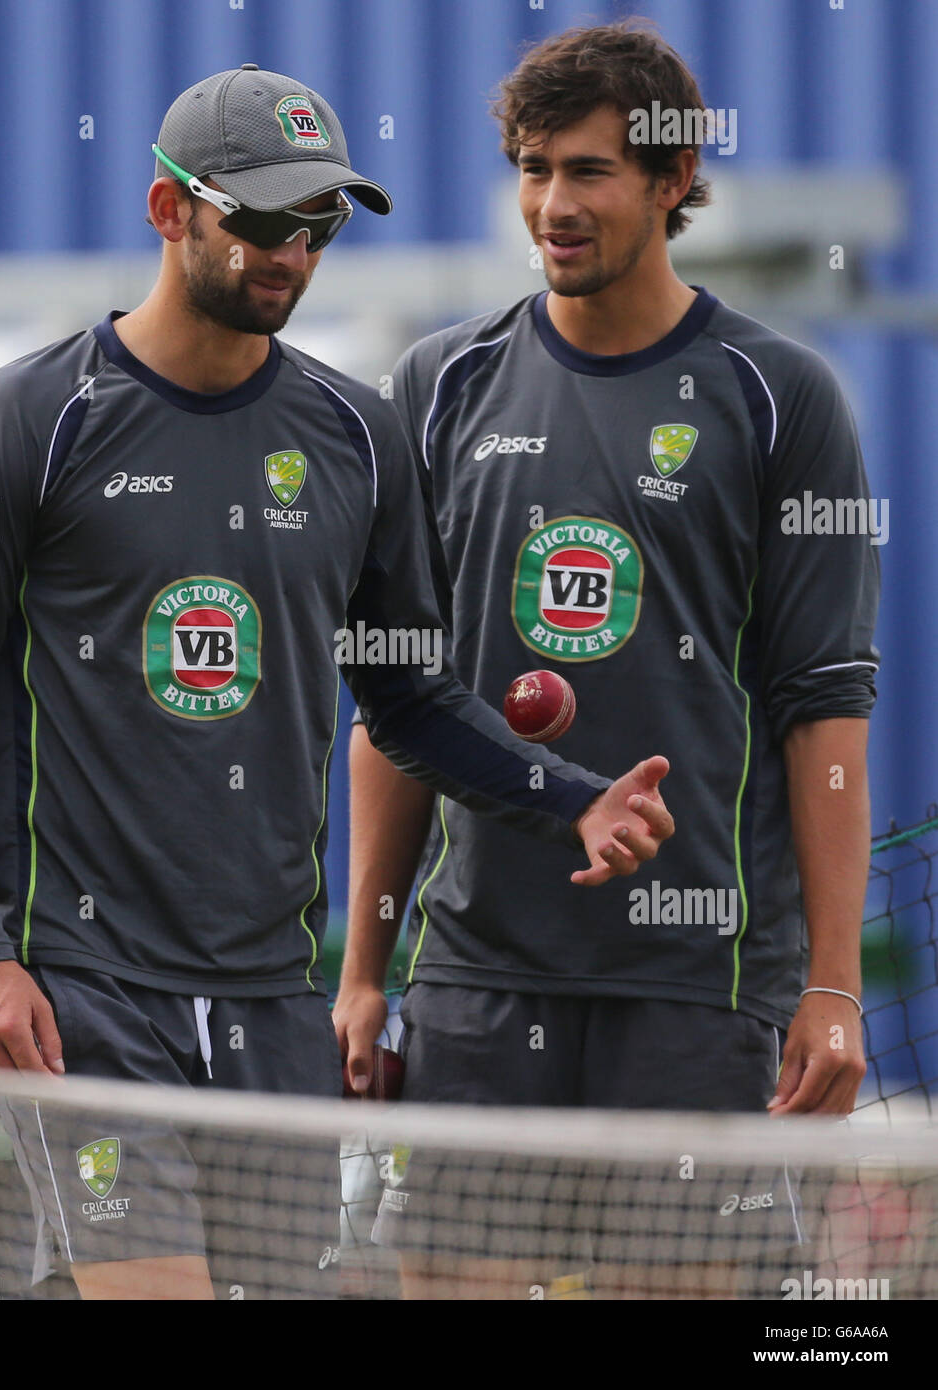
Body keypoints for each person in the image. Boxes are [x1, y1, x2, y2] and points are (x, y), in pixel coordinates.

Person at [0, 63, 673, 1301]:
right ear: (168, 209)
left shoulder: (358, 439)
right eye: (257, 218)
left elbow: (407, 700)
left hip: (275, 1005)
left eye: (320, 224)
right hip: (87, 998)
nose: (291, 253)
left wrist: (567, 793)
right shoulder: (34, 418)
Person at [333, 21, 878, 1299]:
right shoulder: (439, 384)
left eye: (588, 172)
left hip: (702, 986)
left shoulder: (780, 397)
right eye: (532, 168)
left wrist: (836, 987)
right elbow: (394, 703)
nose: (551, 205)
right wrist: (364, 969)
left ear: (676, 177)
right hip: (475, 976)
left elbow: (825, 712)